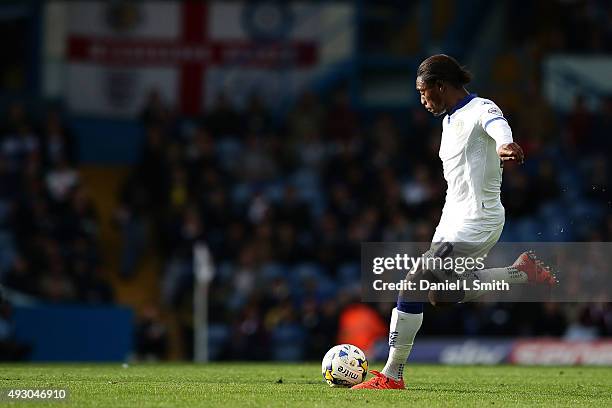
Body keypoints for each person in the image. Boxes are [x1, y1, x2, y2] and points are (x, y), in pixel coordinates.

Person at [353, 55, 556, 390]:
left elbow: (498, 125)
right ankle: (521, 272)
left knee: (413, 282)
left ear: (441, 86)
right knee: (441, 297)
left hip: (477, 219)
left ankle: (391, 375)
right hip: (452, 220)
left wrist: (506, 144)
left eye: (423, 92)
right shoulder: (449, 121)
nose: (422, 100)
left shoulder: (481, 108)